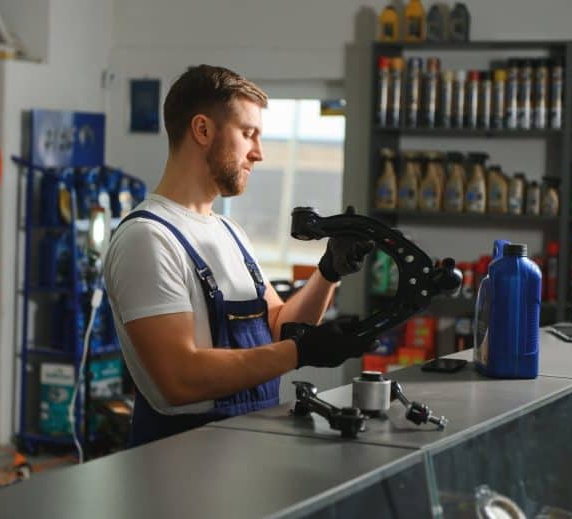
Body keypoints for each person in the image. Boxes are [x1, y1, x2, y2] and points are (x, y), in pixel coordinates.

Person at [104, 65, 376, 447]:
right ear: (202, 130)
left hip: (247, 443)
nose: (259, 153)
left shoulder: (229, 232)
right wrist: (300, 352)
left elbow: (279, 327)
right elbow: (179, 378)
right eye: (248, 134)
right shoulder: (148, 238)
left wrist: (329, 271)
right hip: (180, 459)